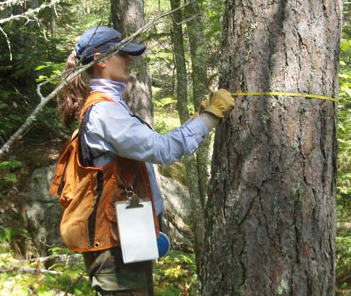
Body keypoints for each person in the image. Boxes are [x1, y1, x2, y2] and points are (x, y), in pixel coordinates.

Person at [53, 26, 235, 295]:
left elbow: (144, 149)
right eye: (124, 54)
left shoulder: (110, 106)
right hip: (112, 248)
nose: (130, 60)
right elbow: (162, 149)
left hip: (120, 239)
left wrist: (199, 117)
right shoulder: (105, 111)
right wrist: (209, 117)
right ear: (101, 60)